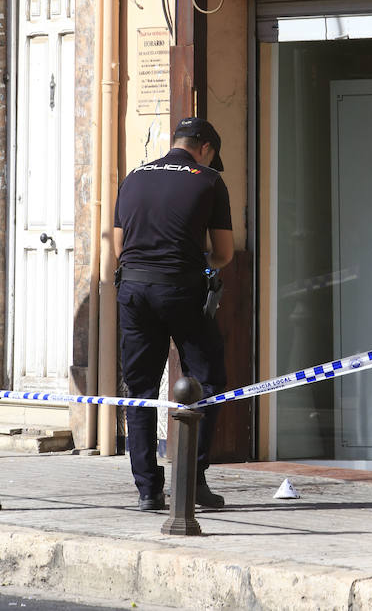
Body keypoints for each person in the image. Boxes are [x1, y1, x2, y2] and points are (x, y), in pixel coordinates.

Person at [113, 117, 234, 511]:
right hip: (181, 289)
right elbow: (225, 253)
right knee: (207, 380)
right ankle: (192, 481)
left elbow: (117, 247)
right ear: (206, 148)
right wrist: (199, 266)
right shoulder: (208, 181)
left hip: (133, 288)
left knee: (141, 390)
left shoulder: (134, 177)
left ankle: (148, 490)